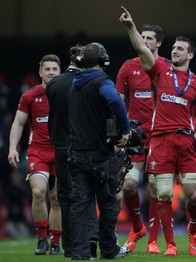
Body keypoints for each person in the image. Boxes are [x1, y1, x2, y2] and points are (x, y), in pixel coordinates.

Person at [120, 6, 196, 257]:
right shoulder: (159, 71)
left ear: (190, 55)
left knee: (194, 196)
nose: (174, 51)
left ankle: (194, 230)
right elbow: (141, 49)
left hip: (186, 141)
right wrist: (131, 27)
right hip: (160, 140)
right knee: (162, 193)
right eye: (173, 48)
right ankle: (170, 244)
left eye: (180, 49)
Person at [68, 42, 129, 260]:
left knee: (79, 205)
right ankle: (109, 249)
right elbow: (114, 100)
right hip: (100, 155)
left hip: (76, 153)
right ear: (105, 60)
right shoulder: (102, 81)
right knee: (107, 204)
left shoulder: (75, 84)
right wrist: (126, 130)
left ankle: (79, 252)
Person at [116, 23, 171, 254]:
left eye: (149, 38)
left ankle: (152, 241)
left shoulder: (168, 67)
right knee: (128, 186)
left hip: (160, 135)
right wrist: (121, 132)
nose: (145, 41)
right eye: (142, 37)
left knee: (155, 190)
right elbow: (117, 101)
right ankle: (137, 227)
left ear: (158, 43)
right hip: (135, 137)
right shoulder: (128, 68)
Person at [46, 45, 99, 258]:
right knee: (87, 194)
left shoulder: (53, 84)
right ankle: (92, 238)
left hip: (60, 147)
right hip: (84, 145)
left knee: (66, 197)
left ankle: (69, 245)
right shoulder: (91, 82)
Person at [8, 54, 62, 255]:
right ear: (40, 72)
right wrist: (13, 148)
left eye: (54, 69)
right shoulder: (30, 96)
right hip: (38, 152)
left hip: (60, 152)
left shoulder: (66, 94)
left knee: (56, 198)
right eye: (46, 69)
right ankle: (41, 238)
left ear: (60, 72)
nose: (50, 72)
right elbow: (18, 123)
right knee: (39, 192)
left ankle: (55, 240)